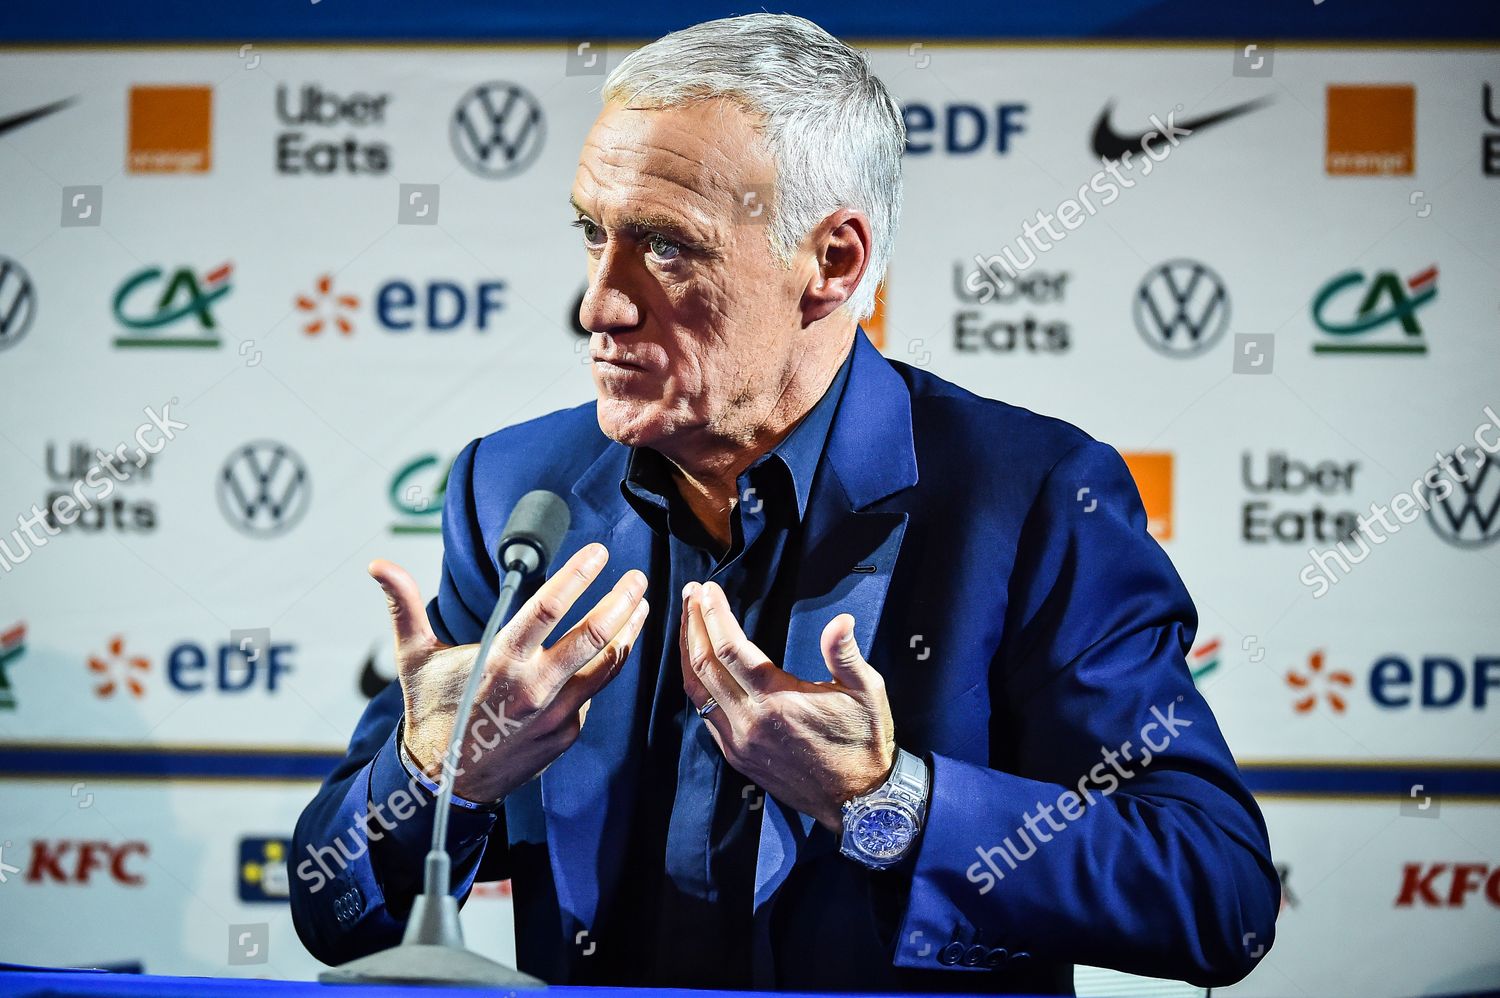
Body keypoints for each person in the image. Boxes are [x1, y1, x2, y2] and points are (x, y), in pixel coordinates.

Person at [292, 13, 1278, 992]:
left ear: (833, 261)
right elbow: (330, 908)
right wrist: (437, 775)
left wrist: (885, 800)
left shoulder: (1030, 497)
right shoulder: (516, 490)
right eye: (593, 233)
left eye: (668, 248)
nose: (599, 303)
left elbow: (1216, 892)